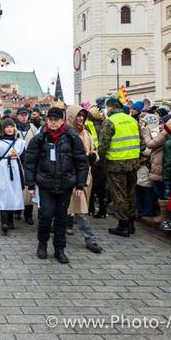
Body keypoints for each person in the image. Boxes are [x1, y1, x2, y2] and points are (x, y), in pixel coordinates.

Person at [25, 107, 88, 264]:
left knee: (62, 218)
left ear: (62, 120)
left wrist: (80, 185)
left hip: (65, 183)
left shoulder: (72, 137)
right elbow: (30, 163)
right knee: (45, 215)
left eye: (56, 120)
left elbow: (81, 162)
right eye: (50, 119)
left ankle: (59, 248)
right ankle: (42, 244)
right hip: (45, 183)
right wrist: (31, 185)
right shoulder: (40, 138)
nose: (53, 123)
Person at [98, 97, 143, 237]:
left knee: (119, 194)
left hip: (116, 164)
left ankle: (122, 225)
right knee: (131, 193)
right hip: (133, 163)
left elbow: (103, 145)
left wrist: (101, 158)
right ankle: (131, 225)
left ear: (111, 107)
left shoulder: (110, 122)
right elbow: (143, 144)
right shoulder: (133, 120)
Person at [65, 106, 102, 254]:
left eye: (82, 116)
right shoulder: (66, 134)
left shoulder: (86, 133)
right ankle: (90, 239)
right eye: (78, 116)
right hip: (71, 176)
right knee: (80, 208)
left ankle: (61, 228)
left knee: (78, 207)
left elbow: (93, 150)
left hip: (86, 175)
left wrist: (94, 156)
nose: (80, 119)